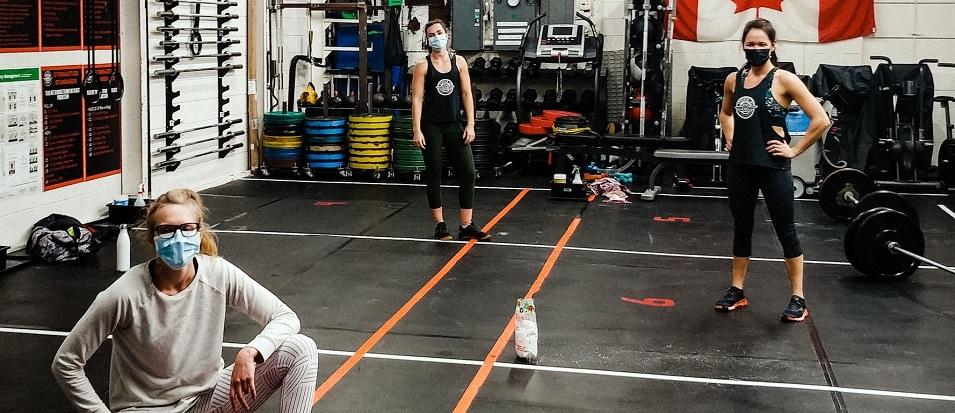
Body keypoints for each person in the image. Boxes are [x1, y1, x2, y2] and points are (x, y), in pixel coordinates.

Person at [52, 189, 318, 412]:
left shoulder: (218, 273)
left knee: (300, 348)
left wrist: (252, 351)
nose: (177, 238)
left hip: (206, 400)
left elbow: (285, 316)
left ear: (199, 231)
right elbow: (66, 362)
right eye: (167, 230)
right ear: (152, 236)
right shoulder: (124, 295)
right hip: (147, 410)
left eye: (186, 228)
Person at [713, 19, 829, 322]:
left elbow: (821, 119)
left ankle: (798, 298)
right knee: (742, 227)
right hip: (740, 166)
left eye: (762, 45)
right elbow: (725, 112)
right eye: (750, 45)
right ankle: (737, 290)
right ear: (743, 46)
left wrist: (794, 149)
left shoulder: (784, 80)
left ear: (773, 46)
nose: (756, 49)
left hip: (773, 167)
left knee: (785, 230)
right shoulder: (733, 80)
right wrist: (730, 135)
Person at [411, 19, 491, 241]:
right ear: (427, 39)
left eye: (439, 32)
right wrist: (416, 130)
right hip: (431, 126)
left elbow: (467, 94)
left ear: (446, 33)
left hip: (454, 124)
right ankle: (440, 225)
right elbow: (417, 99)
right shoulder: (423, 66)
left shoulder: (460, 62)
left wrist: (471, 124)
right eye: (431, 34)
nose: (436, 37)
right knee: (434, 173)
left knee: (467, 172)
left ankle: (466, 225)